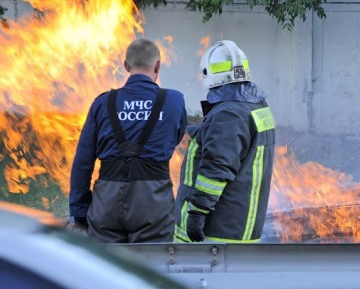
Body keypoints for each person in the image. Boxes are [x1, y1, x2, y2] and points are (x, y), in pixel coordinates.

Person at [68, 38, 187, 242]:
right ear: (158, 65)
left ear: (126, 66)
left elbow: (83, 162)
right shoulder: (174, 101)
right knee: (150, 268)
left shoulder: (103, 102)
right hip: (153, 203)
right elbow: (175, 138)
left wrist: (79, 212)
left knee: (108, 268)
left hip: (106, 202)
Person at [173, 40, 275, 243]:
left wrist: (197, 212)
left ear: (208, 74)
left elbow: (217, 167)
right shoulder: (256, 106)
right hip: (240, 226)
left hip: (216, 232)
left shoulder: (229, 113)